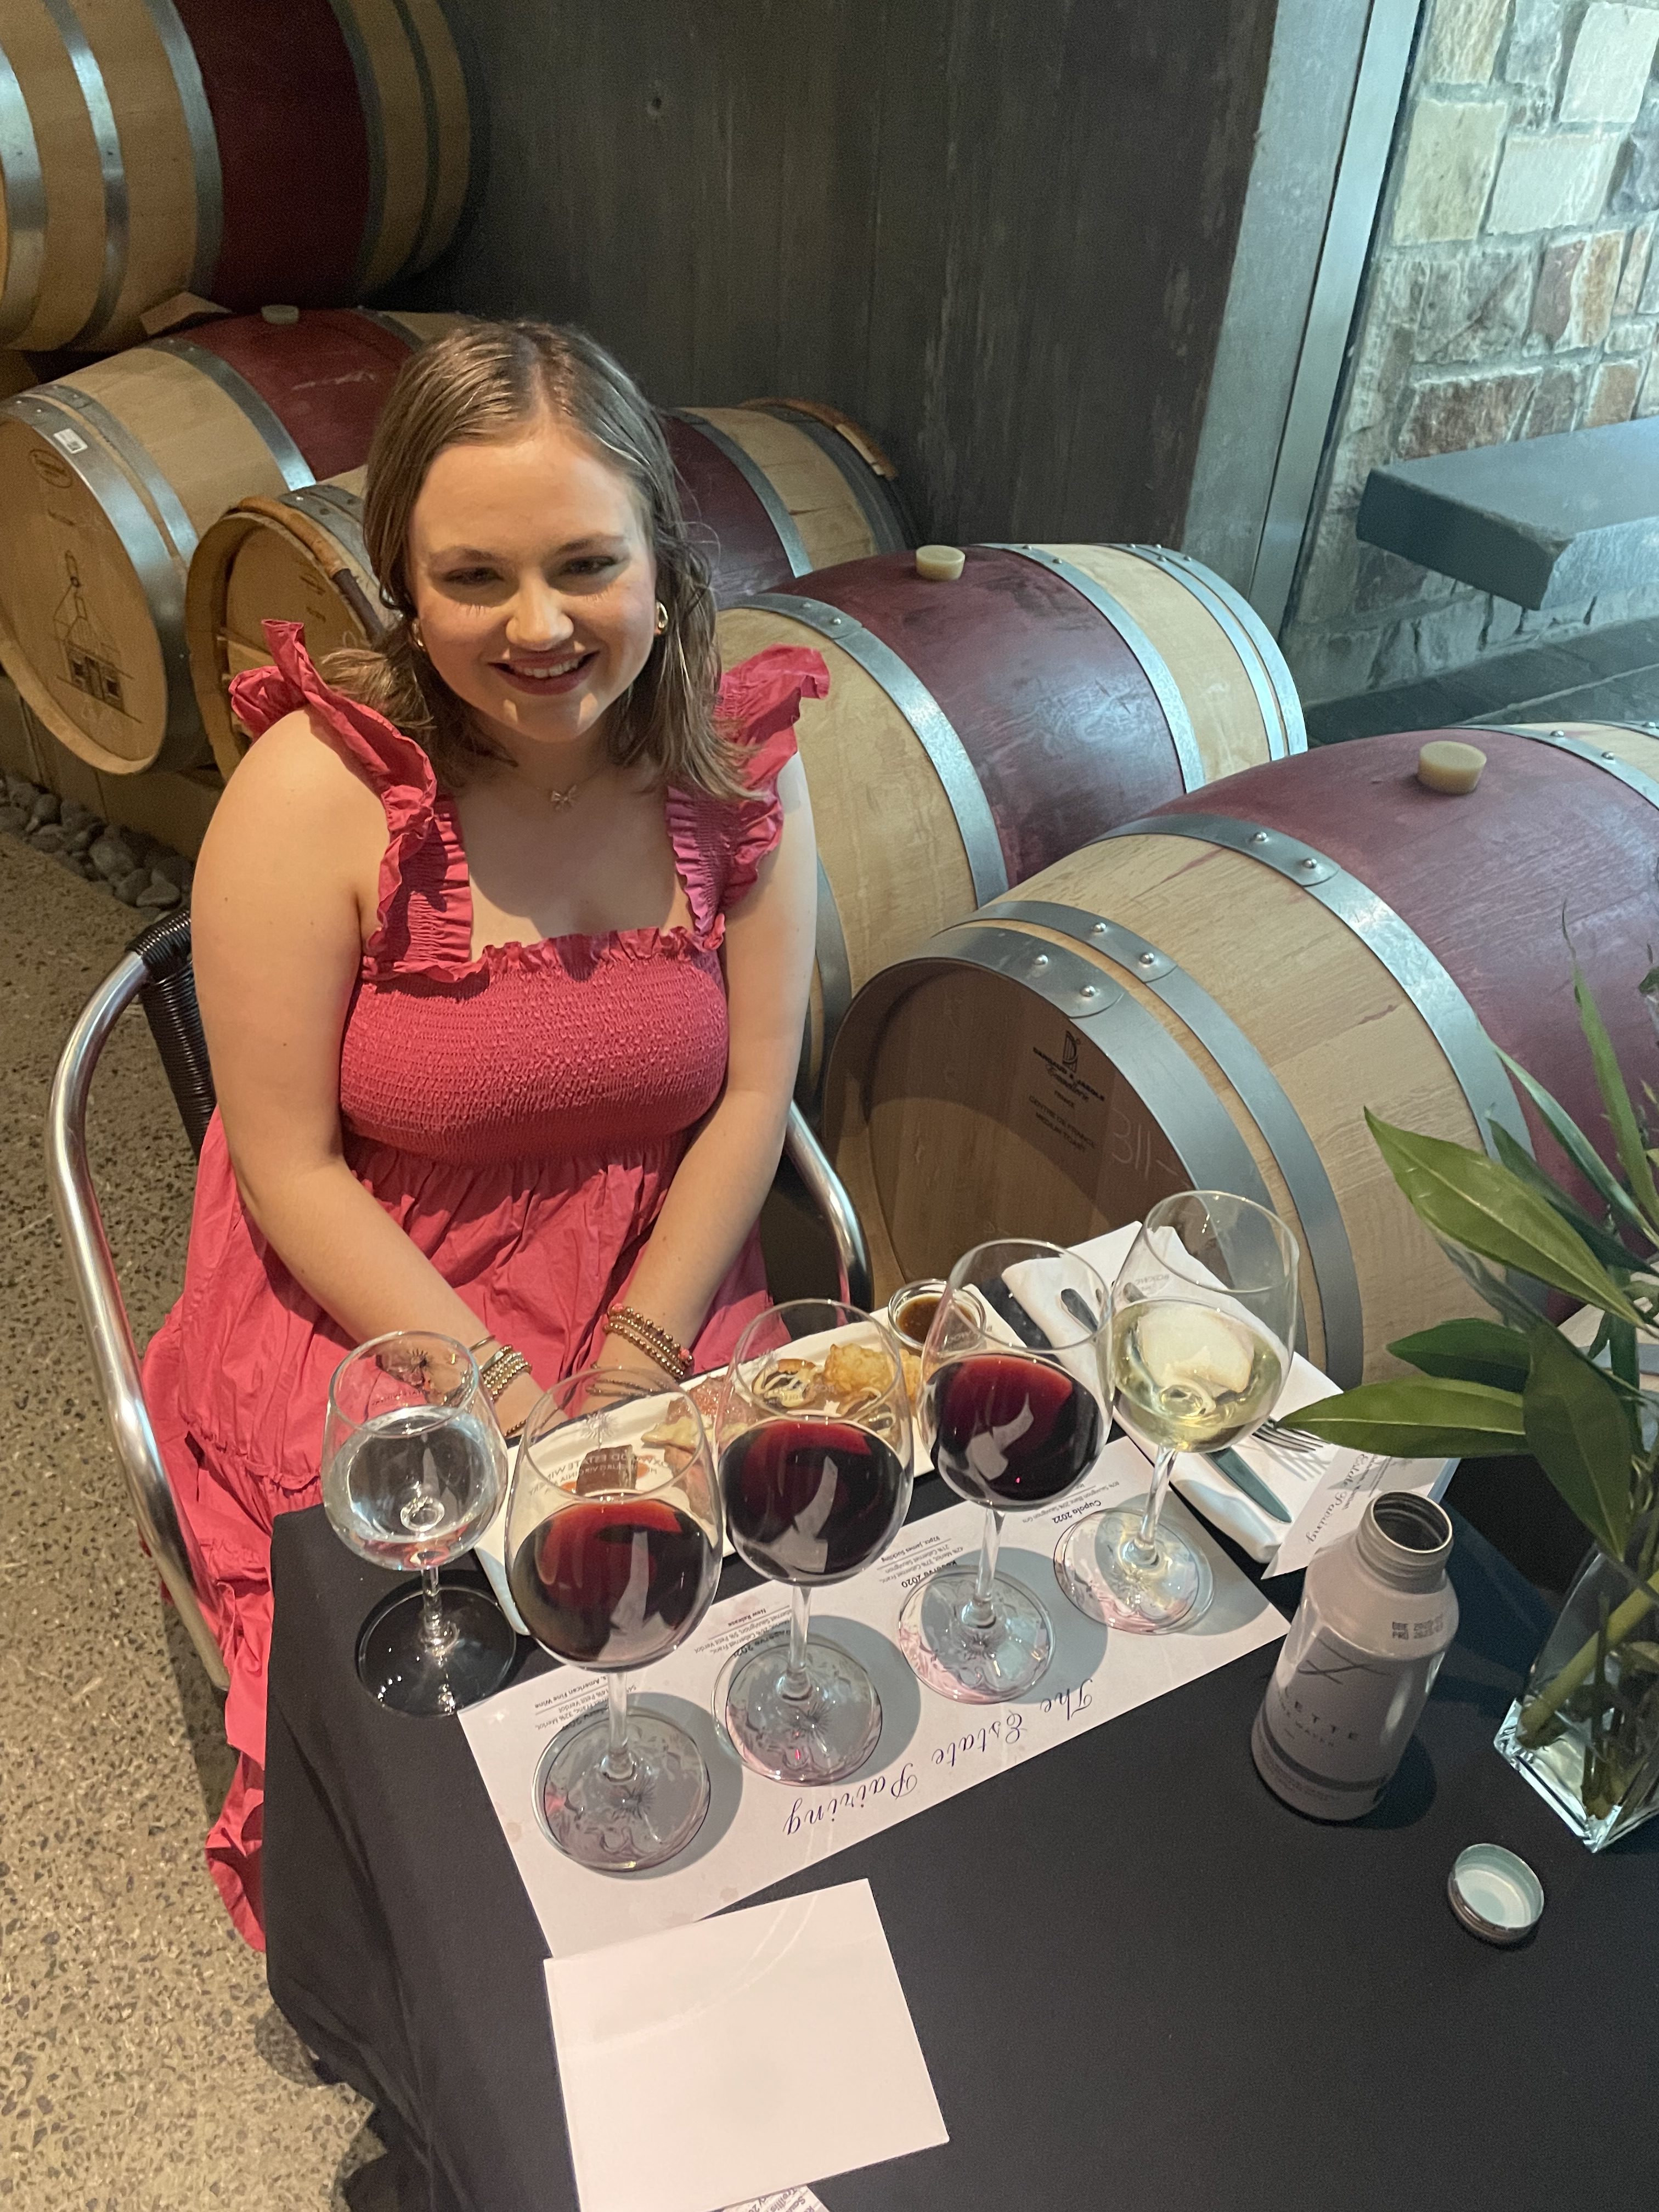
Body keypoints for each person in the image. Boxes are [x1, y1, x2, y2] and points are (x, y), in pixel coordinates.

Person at [141, 320, 824, 1947]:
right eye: (473, 578)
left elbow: (755, 1093)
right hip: (383, 1297)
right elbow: (290, 1166)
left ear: (664, 560)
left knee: (750, 1678)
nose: (538, 627)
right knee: (447, 1758)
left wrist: (637, 1358)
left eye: (587, 564)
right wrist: (503, 1392)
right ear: (403, 582)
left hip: (657, 1277)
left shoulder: (735, 772)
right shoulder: (318, 791)